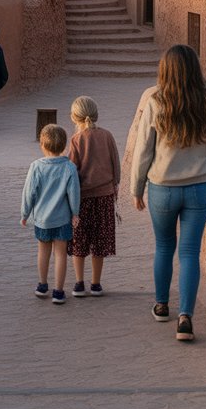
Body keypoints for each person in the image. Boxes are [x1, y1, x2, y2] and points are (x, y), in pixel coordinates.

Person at [131, 45, 206, 343]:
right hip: (200, 190)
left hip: (162, 189)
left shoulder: (155, 102)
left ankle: (162, 306)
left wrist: (136, 188)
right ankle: (185, 318)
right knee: (189, 253)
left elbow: (142, 151)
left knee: (164, 247)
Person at [66, 96, 120, 297]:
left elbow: (72, 171)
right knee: (100, 241)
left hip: (82, 199)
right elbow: (116, 163)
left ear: (74, 117)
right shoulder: (107, 136)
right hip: (104, 197)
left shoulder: (76, 140)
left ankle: (79, 283)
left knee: (79, 241)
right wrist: (115, 186)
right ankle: (96, 283)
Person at [21, 124, 80, 304]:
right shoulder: (69, 167)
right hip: (62, 219)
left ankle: (42, 284)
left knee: (43, 251)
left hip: (41, 219)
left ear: (42, 145)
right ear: (64, 146)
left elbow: (29, 192)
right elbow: (74, 193)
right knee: (61, 254)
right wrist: (75, 213)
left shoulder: (36, 166)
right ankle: (59, 291)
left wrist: (25, 213)